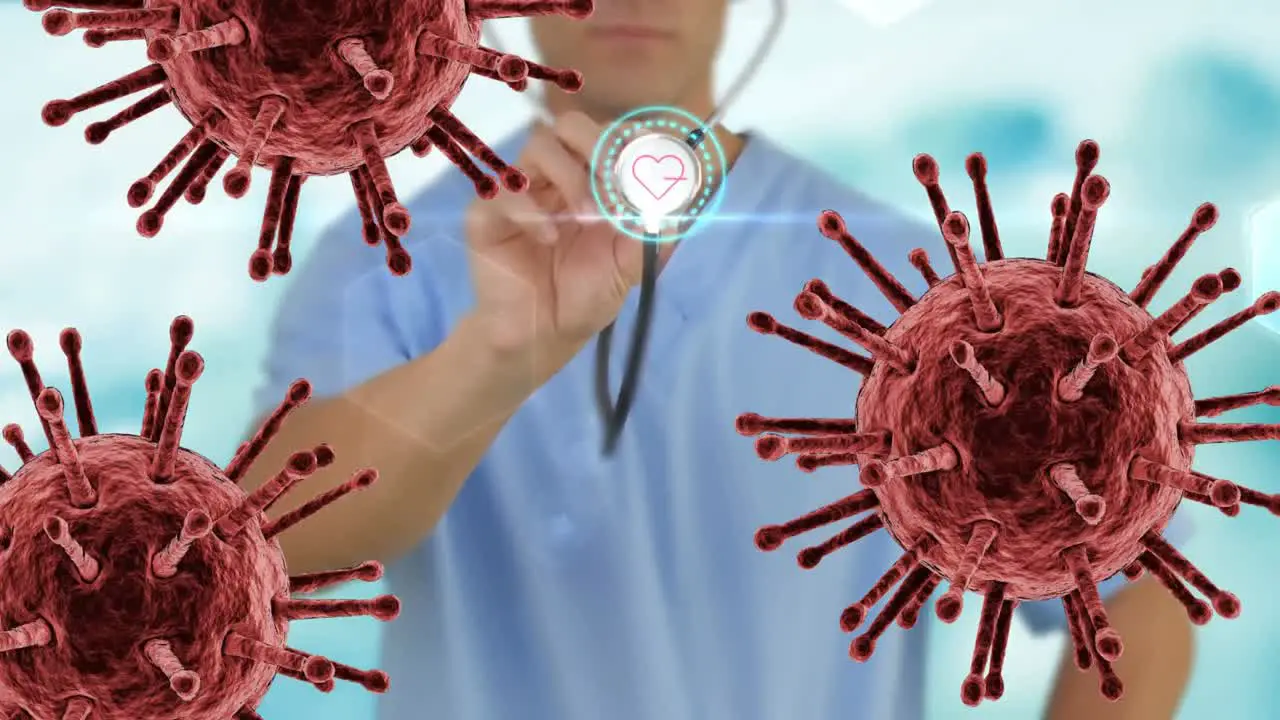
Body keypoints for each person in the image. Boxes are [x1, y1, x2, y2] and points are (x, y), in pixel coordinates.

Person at [247, 1, 1196, 718]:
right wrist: (491, 358)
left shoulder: (925, 294)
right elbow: (268, 541)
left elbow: (1140, 590)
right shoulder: (388, 258)